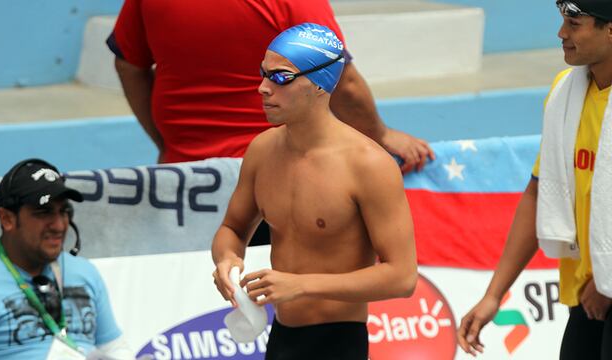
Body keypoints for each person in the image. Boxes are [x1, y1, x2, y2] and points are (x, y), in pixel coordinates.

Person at [211, 23, 418, 359]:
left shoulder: (368, 165)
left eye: (280, 77)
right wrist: (227, 259)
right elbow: (232, 228)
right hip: (282, 338)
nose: (263, 88)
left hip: (338, 342)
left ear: (320, 84)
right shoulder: (262, 151)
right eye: (263, 74)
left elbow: (402, 276)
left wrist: (301, 283)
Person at [107, 0, 434, 173]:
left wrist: (167, 141)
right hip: (276, 177)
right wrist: (382, 135)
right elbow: (343, 83)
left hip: (184, 178)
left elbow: (127, 64)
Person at [457, 1, 612, 358]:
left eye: (574, 24)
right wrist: (494, 294)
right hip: (588, 295)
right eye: (562, 22)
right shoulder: (566, 93)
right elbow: (539, 192)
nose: (561, 34)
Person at [0, 159, 133, 359]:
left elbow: (114, 347)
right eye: (43, 212)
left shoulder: (84, 272)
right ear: (7, 219)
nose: (59, 225)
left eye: (64, 211)